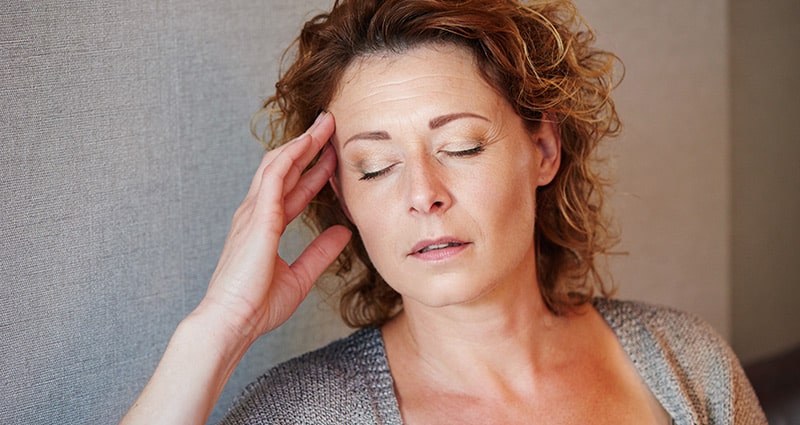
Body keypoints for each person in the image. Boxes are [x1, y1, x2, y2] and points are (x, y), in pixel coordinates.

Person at [121, 0, 767, 423]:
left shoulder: (688, 362)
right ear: (343, 195)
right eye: (375, 166)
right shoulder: (305, 412)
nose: (421, 192)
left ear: (542, 149)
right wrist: (217, 328)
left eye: (460, 146)